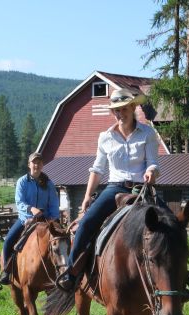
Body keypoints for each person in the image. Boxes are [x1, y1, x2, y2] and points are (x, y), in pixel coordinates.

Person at [57, 88, 159, 291]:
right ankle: (72, 272)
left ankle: (179, 278)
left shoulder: (148, 133)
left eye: (123, 109)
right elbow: (97, 169)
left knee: (169, 224)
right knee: (86, 224)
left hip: (141, 189)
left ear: (132, 107)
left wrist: (151, 173)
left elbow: (153, 163)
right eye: (116, 111)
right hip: (114, 189)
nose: (120, 114)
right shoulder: (105, 137)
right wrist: (87, 196)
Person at [0, 152, 59, 285]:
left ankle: (64, 271)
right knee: (8, 241)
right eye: (34, 162)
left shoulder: (48, 183)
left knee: (61, 241)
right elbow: (19, 202)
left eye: (39, 162)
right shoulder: (22, 182)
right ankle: (7, 272)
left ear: (42, 165)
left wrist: (53, 219)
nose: (36, 165)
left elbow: (54, 203)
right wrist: (31, 211)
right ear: (29, 164)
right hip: (25, 219)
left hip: (45, 220)